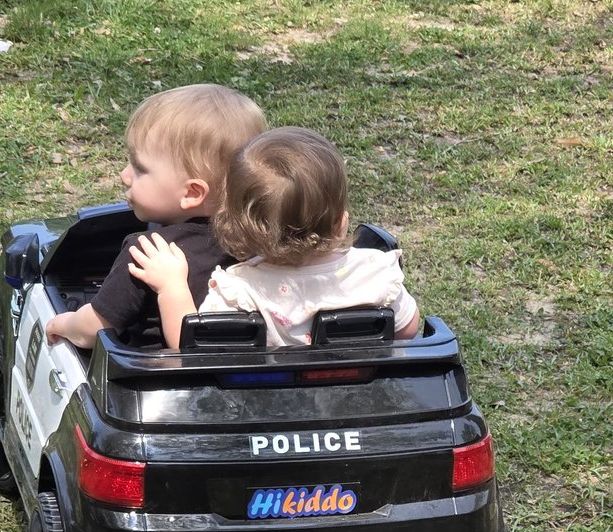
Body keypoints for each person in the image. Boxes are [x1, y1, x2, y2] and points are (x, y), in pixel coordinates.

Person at [127, 127, 421, 350]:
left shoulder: (239, 290)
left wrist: (171, 287)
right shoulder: (374, 271)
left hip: (263, 405)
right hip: (352, 398)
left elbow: (191, 346)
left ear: (239, 229)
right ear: (340, 223)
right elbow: (408, 329)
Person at [45, 84, 267, 349]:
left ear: (192, 192)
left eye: (139, 169)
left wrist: (65, 323)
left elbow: (95, 329)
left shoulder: (149, 251)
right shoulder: (265, 240)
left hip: (157, 379)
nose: (124, 175)